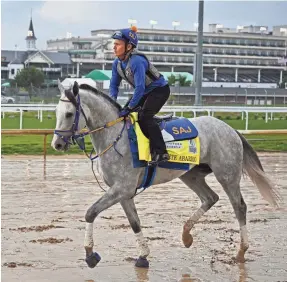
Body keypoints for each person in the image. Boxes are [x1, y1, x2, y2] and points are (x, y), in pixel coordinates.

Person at [109, 26, 170, 165]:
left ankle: (161, 152)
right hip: (145, 91)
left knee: (144, 116)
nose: (114, 47)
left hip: (159, 90)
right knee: (123, 114)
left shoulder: (137, 61)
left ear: (129, 46)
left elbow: (140, 87)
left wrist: (130, 107)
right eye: (114, 44)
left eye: (117, 44)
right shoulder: (116, 63)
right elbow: (113, 86)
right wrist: (112, 102)